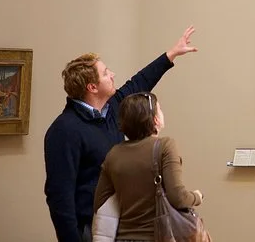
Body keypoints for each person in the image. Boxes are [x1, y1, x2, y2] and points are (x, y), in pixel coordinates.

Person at [44, 26, 198, 242]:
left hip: (119, 224)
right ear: (92, 87)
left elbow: (139, 82)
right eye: (106, 73)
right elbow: (60, 196)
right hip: (89, 228)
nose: (112, 75)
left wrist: (171, 54)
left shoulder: (112, 107)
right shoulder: (64, 130)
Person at [93, 92, 209, 242]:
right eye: (159, 109)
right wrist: (197, 197)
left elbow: (100, 201)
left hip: (123, 237)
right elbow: (178, 198)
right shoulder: (165, 146)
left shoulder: (113, 154)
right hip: (158, 236)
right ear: (155, 119)